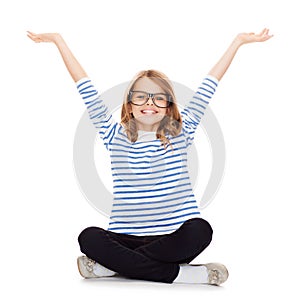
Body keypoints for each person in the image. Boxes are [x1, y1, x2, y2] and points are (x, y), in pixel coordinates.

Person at [27, 28, 273, 285]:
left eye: (158, 98)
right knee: (88, 237)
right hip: (124, 238)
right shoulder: (114, 135)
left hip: (173, 239)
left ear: (168, 106)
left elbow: (208, 86)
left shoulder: (181, 132)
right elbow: (84, 86)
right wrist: (59, 41)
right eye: (141, 96)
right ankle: (186, 275)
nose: (150, 103)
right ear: (129, 105)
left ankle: (113, 268)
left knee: (200, 230)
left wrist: (238, 42)